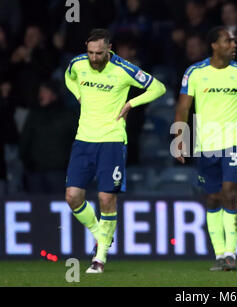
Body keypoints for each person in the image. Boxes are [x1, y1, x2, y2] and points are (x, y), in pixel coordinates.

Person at [64, 29, 166, 273]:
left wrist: (131, 103)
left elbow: (158, 88)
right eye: (90, 53)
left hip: (111, 141)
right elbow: (69, 77)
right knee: (72, 196)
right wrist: (78, 94)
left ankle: (99, 258)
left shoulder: (125, 69)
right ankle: (101, 234)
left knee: (106, 198)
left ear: (109, 49)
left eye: (99, 53)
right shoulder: (78, 64)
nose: (94, 58)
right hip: (83, 140)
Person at [174, 26, 237, 271]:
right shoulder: (195, 72)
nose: (234, 44)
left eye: (234, 41)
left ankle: (231, 254)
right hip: (206, 146)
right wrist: (178, 140)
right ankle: (219, 255)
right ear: (214, 45)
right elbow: (183, 108)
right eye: (228, 41)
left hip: (234, 143)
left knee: (229, 192)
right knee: (212, 199)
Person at [19, 80, 77, 194]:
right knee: (37, 208)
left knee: (57, 205)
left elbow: (77, 142)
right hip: (35, 173)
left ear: (54, 94)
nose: (40, 95)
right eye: (40, 92)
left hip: (59, 173)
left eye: (44, 91)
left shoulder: (67, 115)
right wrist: (28, 163)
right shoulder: (34, 115)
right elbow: (24, 141)